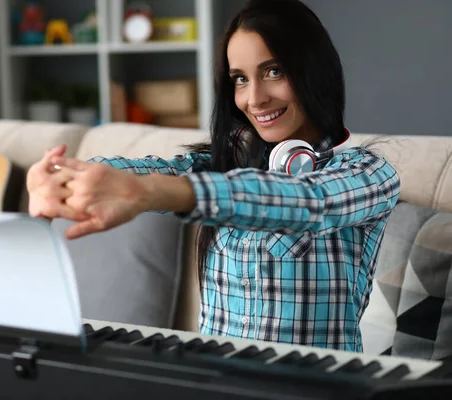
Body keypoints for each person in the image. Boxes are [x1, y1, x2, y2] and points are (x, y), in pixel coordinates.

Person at [26, 0, 400, 353]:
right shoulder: (225, 163)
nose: (254, 99)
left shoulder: (368, 174)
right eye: (240, 79)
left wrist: (152, 193)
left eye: (274, 71)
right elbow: (152, 169)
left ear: (314, 71)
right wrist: (66, 175)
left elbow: (309, 203)